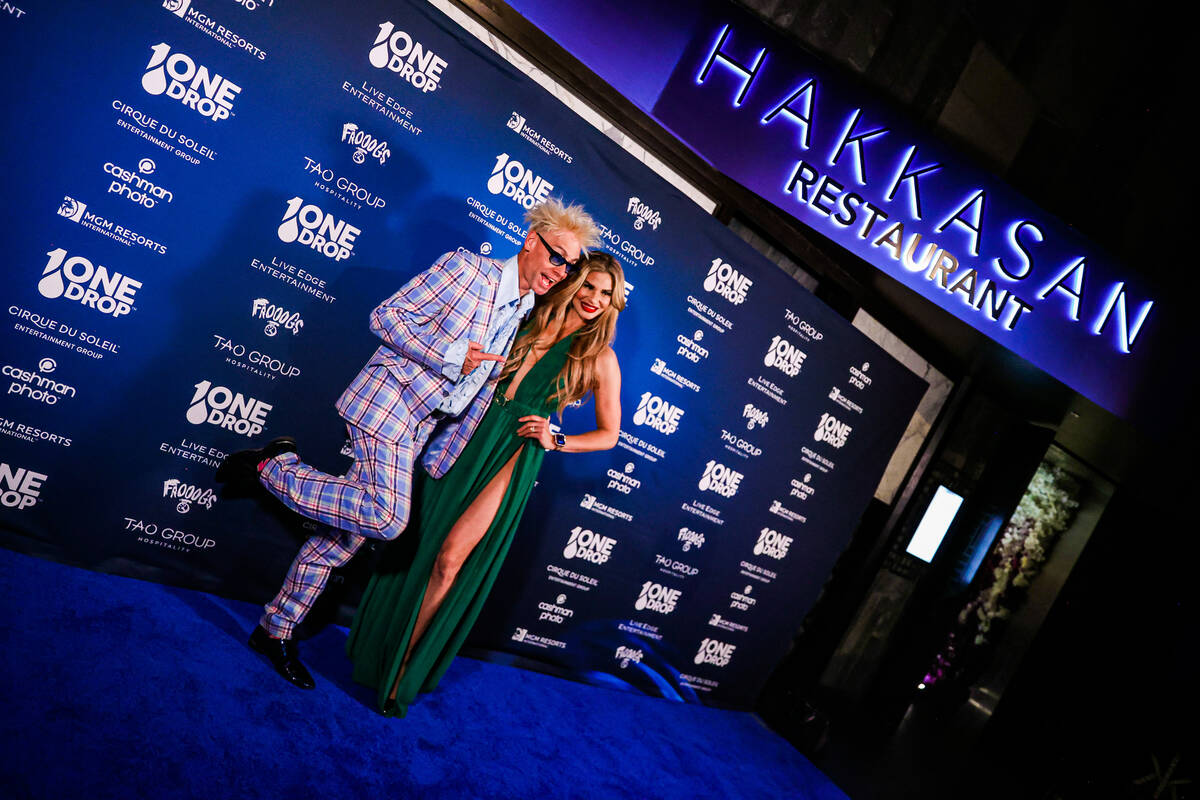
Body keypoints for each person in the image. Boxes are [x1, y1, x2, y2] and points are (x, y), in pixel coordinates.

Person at [217, 200, 600, 690]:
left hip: (421, 426)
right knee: (387, 519)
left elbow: (477, 390)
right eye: (557, 257)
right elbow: (385, 317)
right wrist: (450, 355)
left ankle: (275, 629)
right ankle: (273, 466)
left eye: (570, 266)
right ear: (531, 242)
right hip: (387, 402)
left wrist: (446, 449)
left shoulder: (525, 308)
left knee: (343, 539)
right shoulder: (468, 270)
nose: (561, 271)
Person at [345, 252, 625, 716]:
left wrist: (556, 438)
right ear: (574, 283)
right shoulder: (527, 316)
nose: (595, 299)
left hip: (511, 455)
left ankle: (402, 672)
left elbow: (608, 434)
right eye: (590, 286)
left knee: (450, 560)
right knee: (417, 548)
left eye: (606, 294)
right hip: (462, 437)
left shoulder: (600, 358)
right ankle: (375, 651)